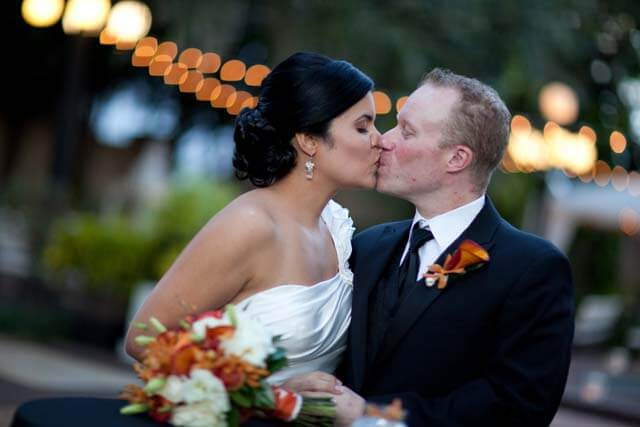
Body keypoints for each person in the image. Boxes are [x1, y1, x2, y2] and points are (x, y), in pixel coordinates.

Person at [290, 69, 575, 427]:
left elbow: (515, 408)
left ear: (456, 158)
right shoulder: (366, 246)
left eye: (407, 131)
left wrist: (370, 416)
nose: (384, 140)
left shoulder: (532, 268)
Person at [125, 52, 382, 389]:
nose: (381, 139)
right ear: (308, 140)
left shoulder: (338, 230)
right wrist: (274, 399)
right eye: (363, 127)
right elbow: (144, 339)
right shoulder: (250, 225)